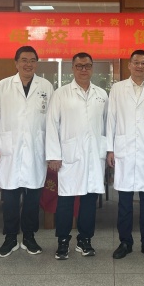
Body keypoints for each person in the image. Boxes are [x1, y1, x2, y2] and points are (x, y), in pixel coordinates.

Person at [0, 46, 54, 258]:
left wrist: (52, 150)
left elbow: (52, 121)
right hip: (10, 150)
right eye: (24, 60)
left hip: (36, 149)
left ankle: (29, 237)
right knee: (10, 197)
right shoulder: (3, 86)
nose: (28, 64)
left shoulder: (45, 86)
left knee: (33, 197)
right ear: (16, 63)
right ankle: (10, 238)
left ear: (37, 63)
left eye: (32, 60)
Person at [46, 52, 108, 260]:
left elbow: (107, 125)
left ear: (92, 68)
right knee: (66, 199)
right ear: (72, 68)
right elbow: (52, 124)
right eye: (79, 66)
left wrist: (107, 150)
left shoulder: (101, 94)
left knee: (90, 199)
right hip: (69, 155)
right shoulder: (61, 94)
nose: (83, 69)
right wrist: (53, 155)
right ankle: (63, 241)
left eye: (87, 65)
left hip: (94, 155)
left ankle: (85, 240)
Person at [107, 50, 144, 260]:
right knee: (124, 200)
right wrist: (110, 149)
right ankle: (125, 242)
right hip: (124, 150)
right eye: (136, 62)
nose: (139, 66)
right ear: (129, 65)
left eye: (143, 63)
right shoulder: (118, 88)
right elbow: (111, 119)